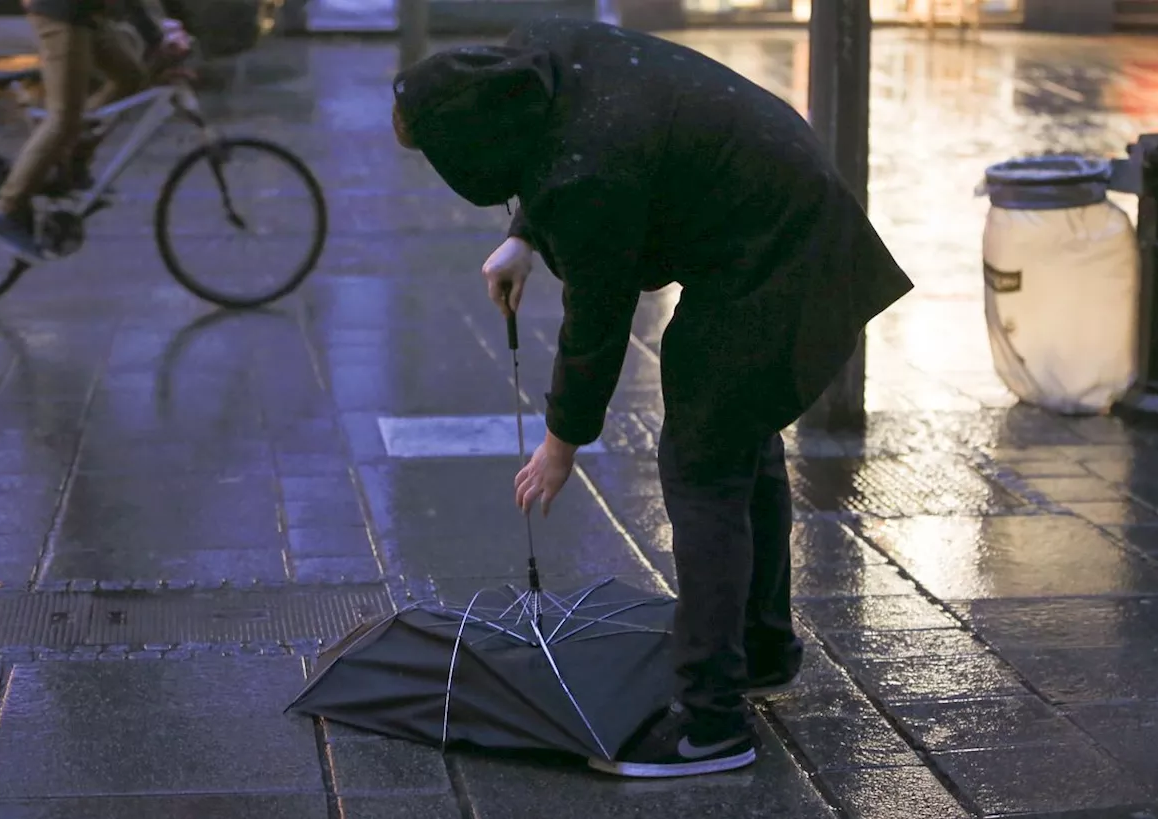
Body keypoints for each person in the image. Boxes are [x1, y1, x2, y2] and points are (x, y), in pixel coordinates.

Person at [391, 19, 914, 779]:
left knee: (702, 465)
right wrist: (525, 236)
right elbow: (569, 140)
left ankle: (710, 722)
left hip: (778, 252)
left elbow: (596, 325)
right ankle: (761, 649)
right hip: (784, 212)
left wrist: (559, 444)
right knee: (737, 431)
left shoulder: (586, 178)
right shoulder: (551, 52)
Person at [0, 0, 191, 262]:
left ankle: (72, 162)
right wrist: (157, 36)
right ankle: (5, 211)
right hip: (62, 15)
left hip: (87, 15)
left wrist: (160, 31)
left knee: (132, 76)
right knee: (65, 117)